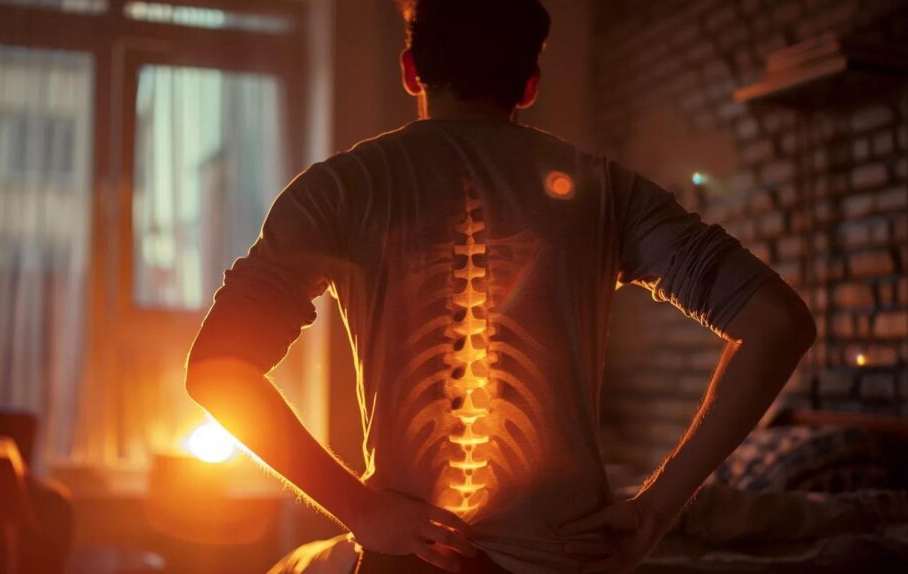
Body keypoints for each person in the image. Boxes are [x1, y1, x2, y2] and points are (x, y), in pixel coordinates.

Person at [185, 0, 817, 572]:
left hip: (407, 561)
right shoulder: (606, 191)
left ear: (411, 69)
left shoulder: (340, 188)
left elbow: (218, 368)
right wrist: (655, 510)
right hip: (568, 560)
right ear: (530, 84)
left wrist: (362, 510)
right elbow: (778, 322)